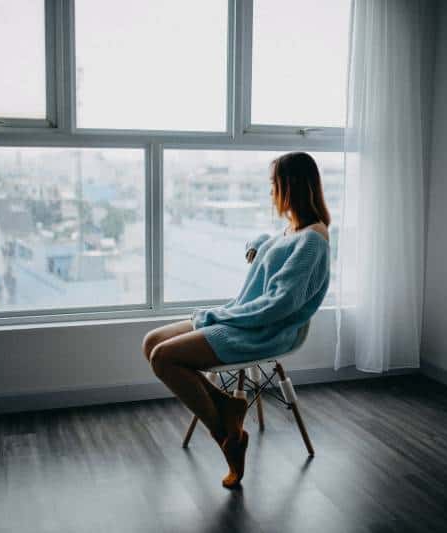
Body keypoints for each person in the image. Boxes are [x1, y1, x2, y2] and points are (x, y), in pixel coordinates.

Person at [142, 151, 331, 488]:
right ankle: (228, 411)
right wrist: (255, 244)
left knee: (163, 357)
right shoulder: (293, 229)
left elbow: (279, 306)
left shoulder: (313, 240)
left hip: (265, 331)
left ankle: (225, 438)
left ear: (290, 186)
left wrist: (219, 316)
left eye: (274, 184)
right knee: (152, 342)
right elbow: (272, 244)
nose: (270, 191)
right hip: (245, 319)